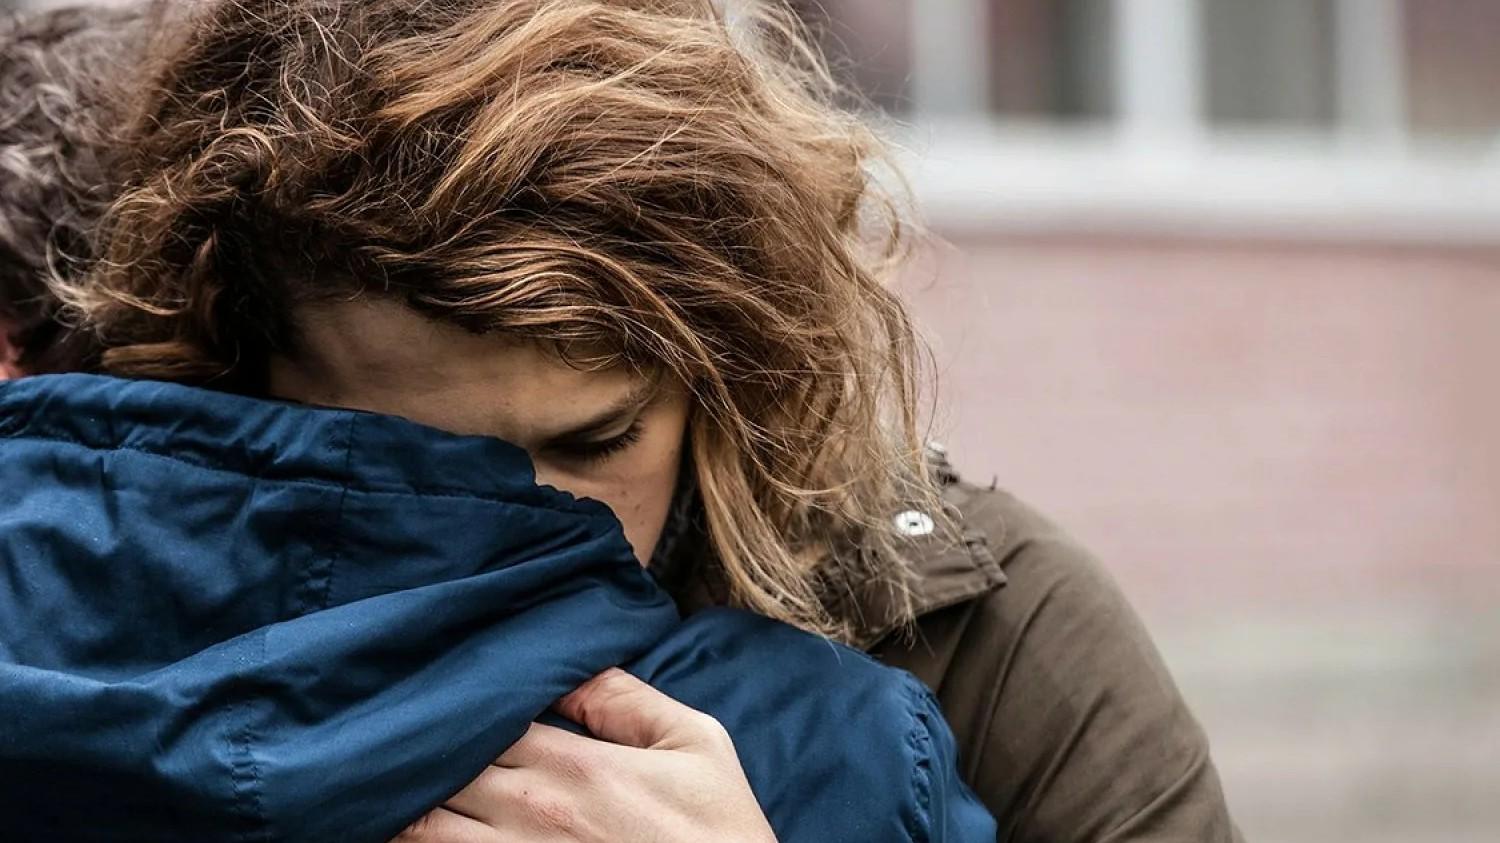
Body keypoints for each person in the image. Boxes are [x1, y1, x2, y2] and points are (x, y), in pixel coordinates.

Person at [0, 1, 1241, 840]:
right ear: (247, 388)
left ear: (734, 382)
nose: (534, 523)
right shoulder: (104, 630)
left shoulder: (991, 638)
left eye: (595, 444)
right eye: (428, 471)